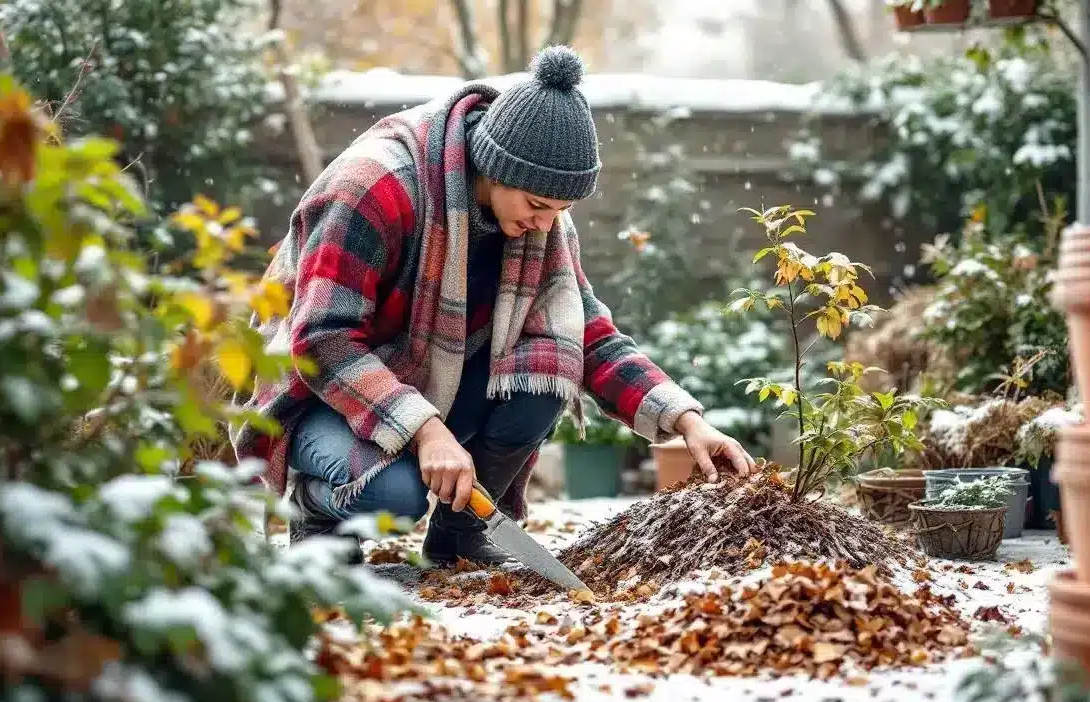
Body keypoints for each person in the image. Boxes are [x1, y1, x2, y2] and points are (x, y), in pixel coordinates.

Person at [231, 45, 756, 567]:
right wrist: (425, 429)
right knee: (397, 494)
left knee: (547, 373)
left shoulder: (538, 216)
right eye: (538, 207)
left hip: (430, 380)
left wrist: (685, 420)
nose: (547, 223)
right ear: (493, 166)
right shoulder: (376, 187)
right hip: (320, 395)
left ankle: (460, 535)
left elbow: (588, 333)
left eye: (562, 210)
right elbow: (322, 339)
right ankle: (315, 512)